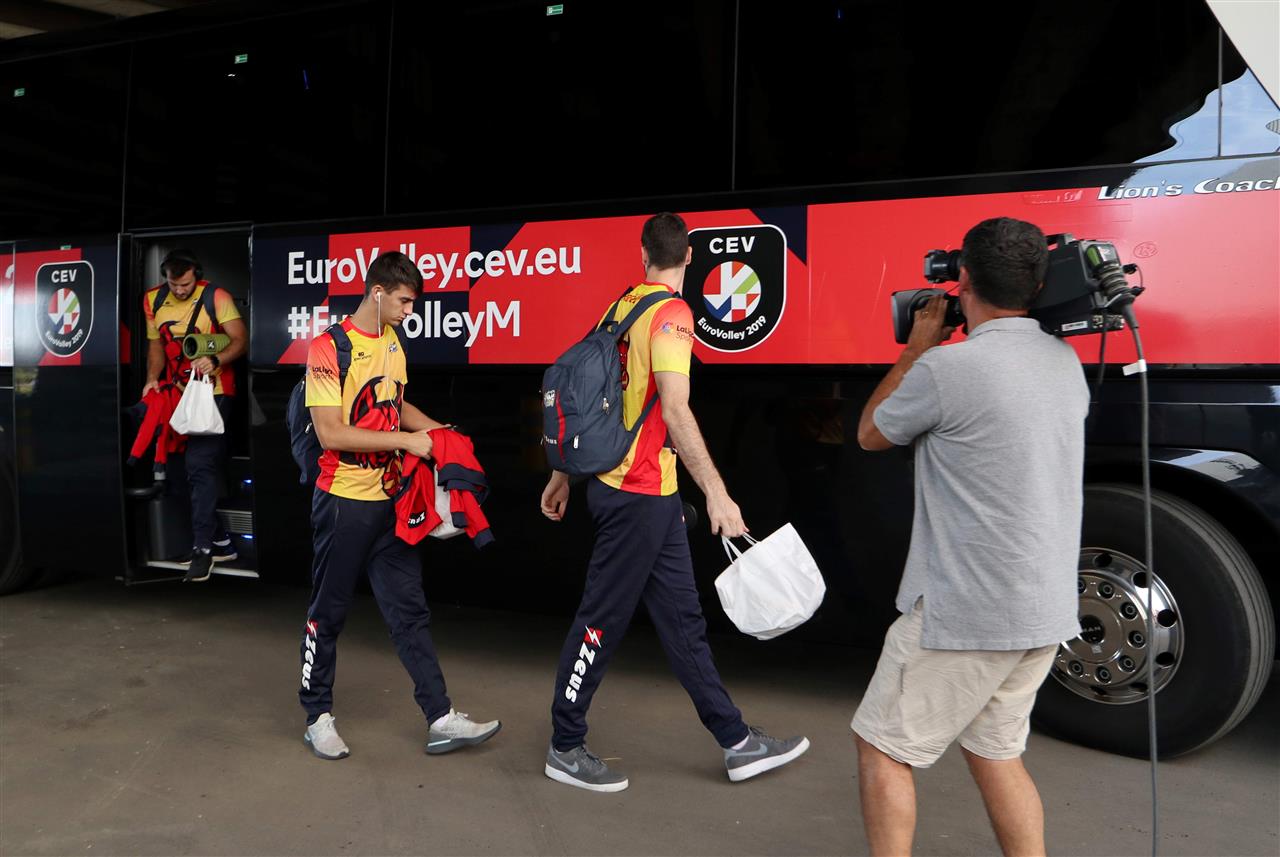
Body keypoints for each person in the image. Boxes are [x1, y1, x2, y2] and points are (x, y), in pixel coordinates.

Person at [538, 212, 809, 792]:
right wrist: (718, 494)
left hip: (650, 494)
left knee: (684, 623)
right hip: (634, 495)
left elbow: (586, 397)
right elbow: (675, 407)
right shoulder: (673, 315)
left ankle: (736, 741)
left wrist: (563, 472)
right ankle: (564, 744)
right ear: (689, 257)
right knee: (599, 623)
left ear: (643, 255)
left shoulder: (622, 307)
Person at [851, 217, 1088, 856]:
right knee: (996, 752)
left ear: (961, 280)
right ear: (1036, 285)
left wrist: (918, 347)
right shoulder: (1064, 362)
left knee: (882, 747)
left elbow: (871, 433)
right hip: (1041, 610)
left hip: (965, 615)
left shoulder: (946, 369)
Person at [299, 251, 500, 761]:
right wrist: (405, 443)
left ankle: (440, 717)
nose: (410, 311)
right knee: (328, 613)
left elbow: (394, 402)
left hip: (390, 502)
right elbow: (330, 432)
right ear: (377, 292)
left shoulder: (392, 341)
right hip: (343, 502)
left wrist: (438, 432)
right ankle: (317, 717)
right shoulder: (328, 348)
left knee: (409, 612)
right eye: (405, 301)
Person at [142, 249, 247, 584]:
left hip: (214, 392)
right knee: (175, 467)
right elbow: (156, 345)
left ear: (196, 276)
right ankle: (220, 540)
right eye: (174, 284)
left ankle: (203, 548)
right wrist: (152, 378)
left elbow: (240, 340)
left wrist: (215, 361)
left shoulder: (217, 296)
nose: (179, 290)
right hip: (177, 393)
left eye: (185, 284)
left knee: (199, 464)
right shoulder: (153, 300)